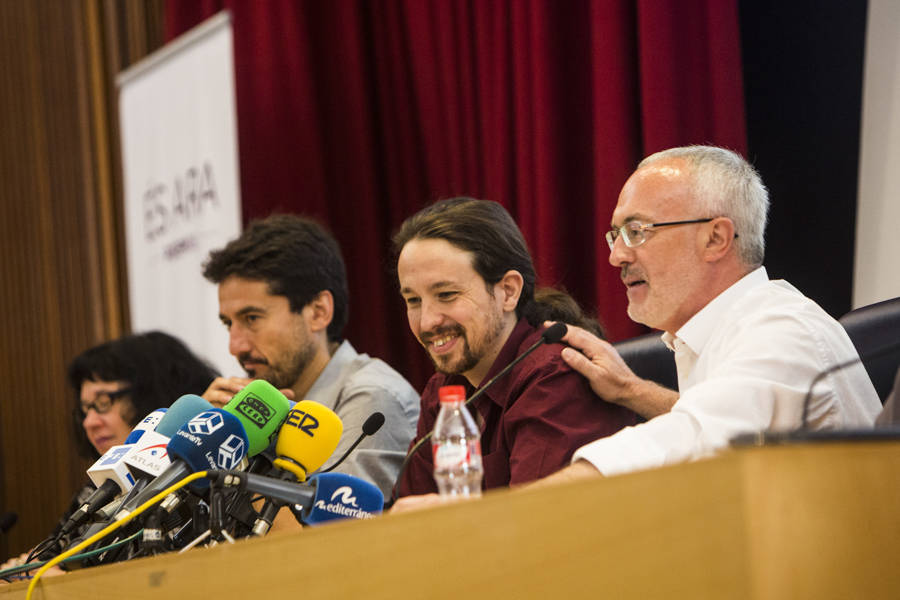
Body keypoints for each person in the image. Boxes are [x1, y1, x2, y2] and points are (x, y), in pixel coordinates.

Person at [540, 145, 882, 484]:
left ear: (716, 238)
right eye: (616, 235)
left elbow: (693, 439)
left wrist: (521, 509)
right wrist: (630, 389)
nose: (617, 256)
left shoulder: (781, 330)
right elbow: (724, 418)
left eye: (637, 232)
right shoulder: (727, 328)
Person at [392, 197, 639, 507]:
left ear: (508, 291)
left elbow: (537, 528)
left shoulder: (555, 377)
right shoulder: (443, 391)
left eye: (446, 295)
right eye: (413, 301)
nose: (427, 321)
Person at [201, 214, 419, 499]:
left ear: (318, 312)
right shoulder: (264, 406)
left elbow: (326, 534)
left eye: (252, 318)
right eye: (229, 324)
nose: (235, 346)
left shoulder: (373, 396)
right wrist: (208, 439)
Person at [2, 331, 218, 579]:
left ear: (152, 396)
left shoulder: (203, 486)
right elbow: (50, 560)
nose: (89, 422)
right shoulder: (100, 490)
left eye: (103, 403)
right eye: (85, 409)